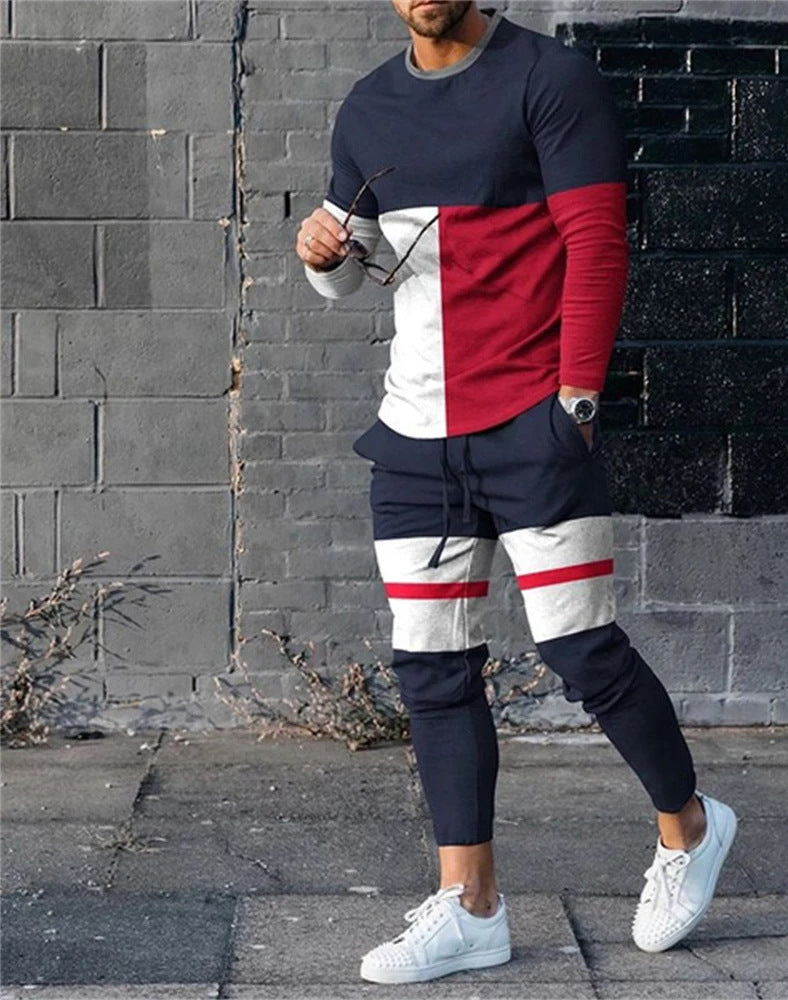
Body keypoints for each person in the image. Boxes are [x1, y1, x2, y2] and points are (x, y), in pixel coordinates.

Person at [295, 0, 738, 985]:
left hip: (532, 424)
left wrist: (574, 402)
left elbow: (598, 244)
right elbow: (358, 267)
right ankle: (472, 908)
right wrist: (322, 258)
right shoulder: (368, 107)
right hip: (416, 436)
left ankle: (691, 826)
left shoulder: (549, 79)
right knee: (431, 667)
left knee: (581, 648)